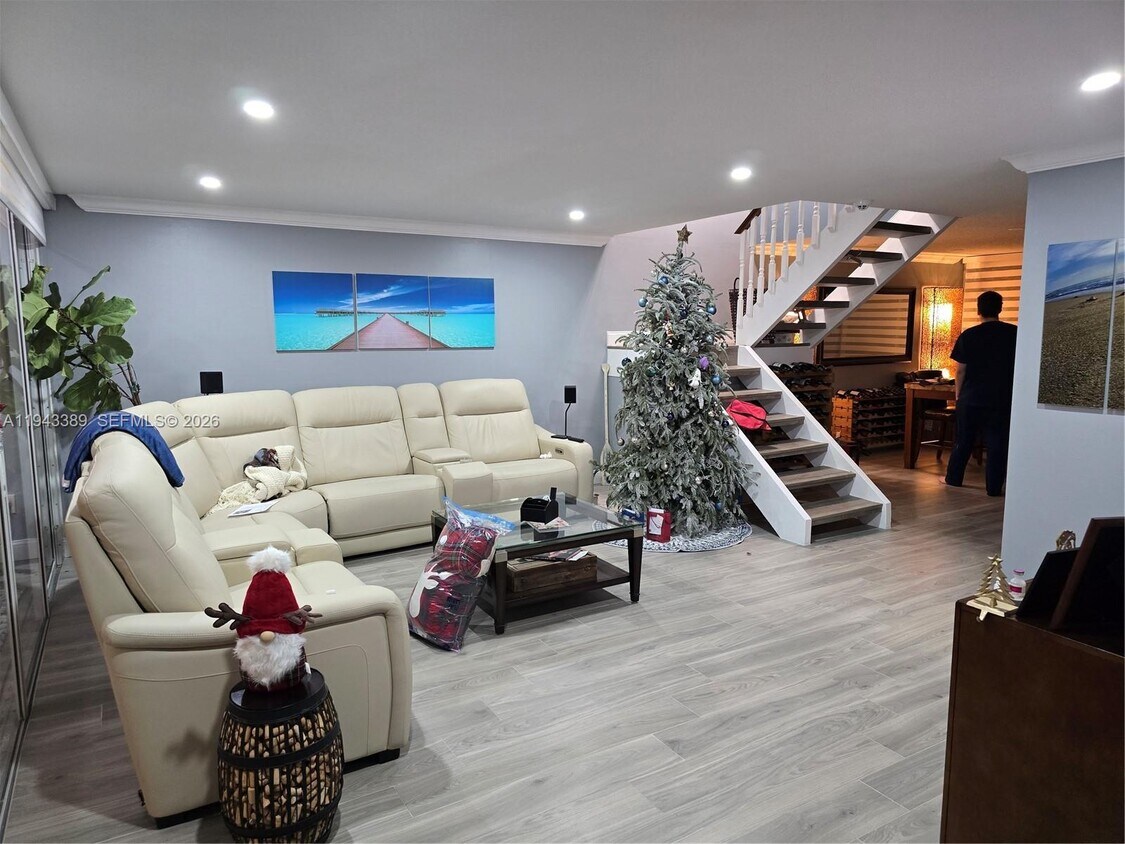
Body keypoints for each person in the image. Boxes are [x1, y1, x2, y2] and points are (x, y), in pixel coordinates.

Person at [943, 290, 1018, 496]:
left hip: (971, 397)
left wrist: (958, 396)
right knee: (997, 444)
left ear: (979, 310)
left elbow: (961, 370)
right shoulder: (1014, 334)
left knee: (964, 441)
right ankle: (994, 487)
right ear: (1000, 308)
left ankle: (954, 479)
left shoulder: (969, 335)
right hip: (1002, 397)